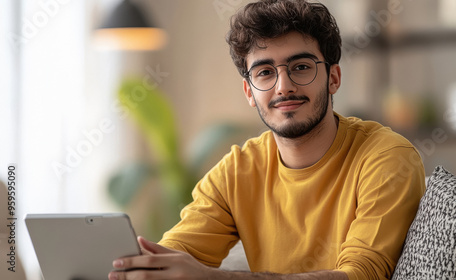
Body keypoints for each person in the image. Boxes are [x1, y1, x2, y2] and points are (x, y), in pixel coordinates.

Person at [108, 0, 426, 279]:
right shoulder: (237, 171)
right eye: (264, 72)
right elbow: (175, 254)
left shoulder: (387, 157)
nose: (283, 86)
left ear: (333, 78)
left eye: (301, 67)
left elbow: (360, 275)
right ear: (249, 92)